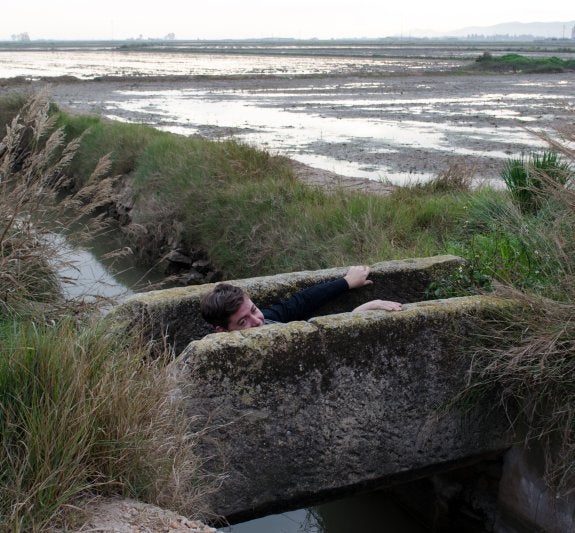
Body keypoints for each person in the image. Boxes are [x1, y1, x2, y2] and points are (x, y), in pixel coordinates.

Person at [200, 265, 402, 332]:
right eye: (243, 322)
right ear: (222, 332)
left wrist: (347, 282)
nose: (257, 322)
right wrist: (359, 314)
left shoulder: (264, 319)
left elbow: (299, 303)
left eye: (253, 310)